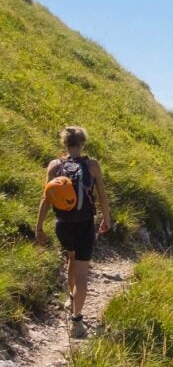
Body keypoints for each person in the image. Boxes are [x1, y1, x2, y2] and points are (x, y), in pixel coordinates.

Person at [35, 126, 111, 338]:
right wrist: (106, 219)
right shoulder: (92, 166)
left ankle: (71, 295)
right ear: (83, 142)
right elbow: (102, 196)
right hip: (85, 225)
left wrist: (39, 227)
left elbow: (46, 199)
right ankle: (77, 321)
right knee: (82, 273)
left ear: (64, 143)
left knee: (71, 257)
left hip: (62, 224)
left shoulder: (55, 165)